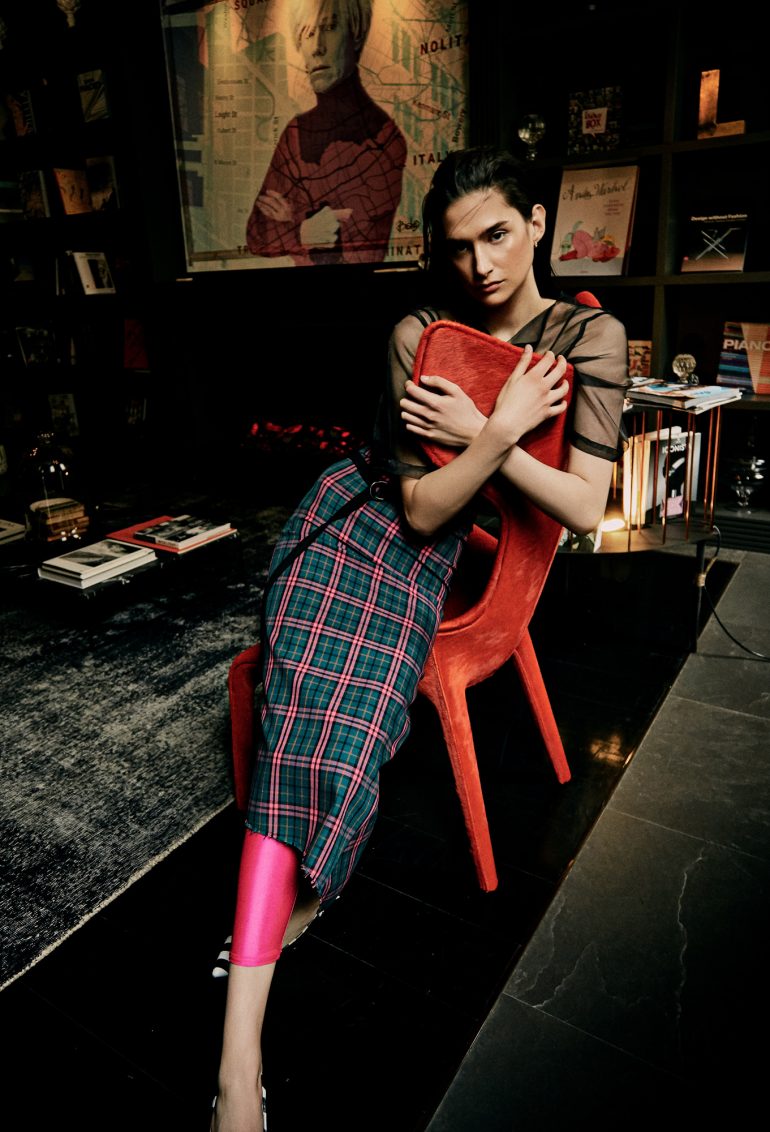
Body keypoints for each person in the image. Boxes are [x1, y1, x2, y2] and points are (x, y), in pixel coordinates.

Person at [211, 145, 629, 1131]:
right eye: (457, 247)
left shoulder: (590, 337)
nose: (480, 264)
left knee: (345, 720)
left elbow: (582, 507)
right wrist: (498, 431)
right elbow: (420, 504)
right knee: (305, 706)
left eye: (498, 234)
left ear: (536, 221)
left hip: (437, 561)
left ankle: (294, 899)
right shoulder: (419, 332)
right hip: (355, 523)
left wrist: (488, 427)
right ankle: (237, 1062)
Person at [245, 0, 406, 265]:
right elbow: (257, 235)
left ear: (355, 35)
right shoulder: (295, 133)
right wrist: (304, 229)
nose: (317, 47)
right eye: (307, 34)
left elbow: (357, 251)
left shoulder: (384, 139)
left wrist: (292, 218)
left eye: (330, 28)